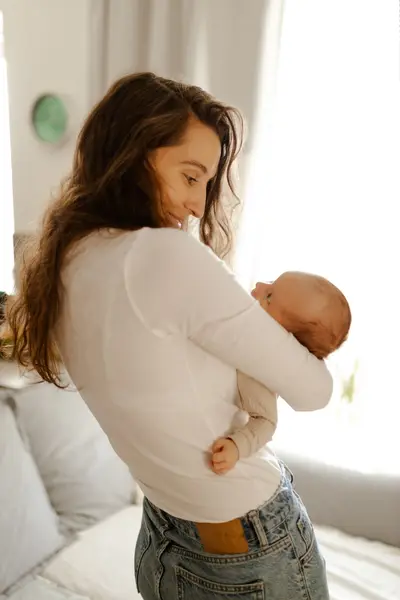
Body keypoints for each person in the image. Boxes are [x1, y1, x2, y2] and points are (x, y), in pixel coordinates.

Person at [4, 72, 333, 599]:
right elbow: (314, 392)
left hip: (163, 539)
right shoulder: (166, 257)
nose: (199, 206)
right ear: (135, 155)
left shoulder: (62, 263)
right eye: (190, 176)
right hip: (248, 548)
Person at [211, 271, 351, 474]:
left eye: (269, 296)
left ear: (285, 338)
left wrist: (237, 446)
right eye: (270, 282)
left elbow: (266, 422)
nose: (259, 285)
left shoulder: (258, 367)